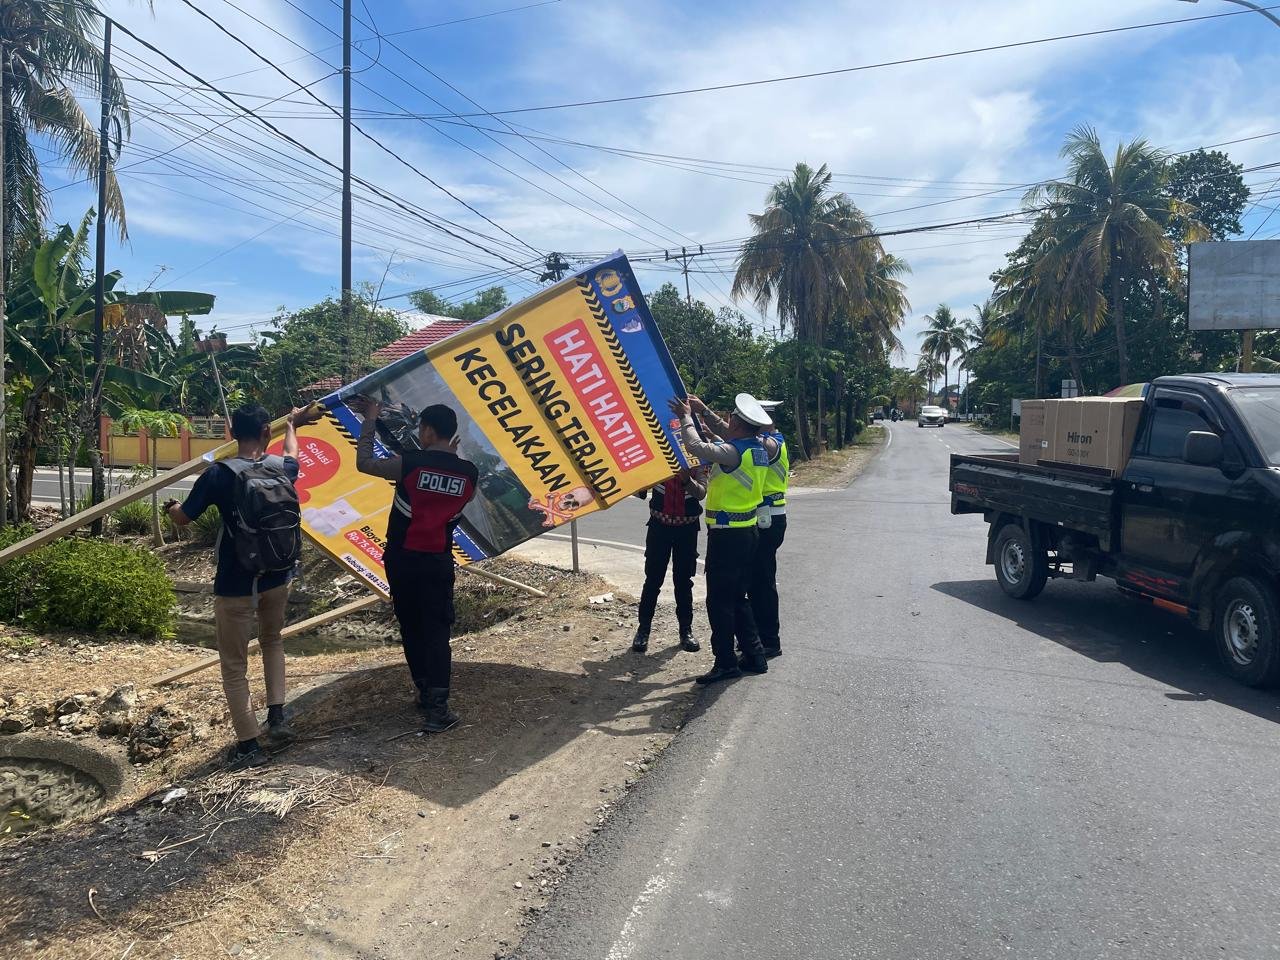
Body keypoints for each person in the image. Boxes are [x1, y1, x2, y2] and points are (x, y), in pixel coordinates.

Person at [167, 403, 318, 770]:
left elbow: (185, 519)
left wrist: (170, 508)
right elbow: (292, 452)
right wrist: (293, 424)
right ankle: (278, 717)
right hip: (278, 577)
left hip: (236, 583)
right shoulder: (281, 468)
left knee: (234, 663)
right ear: (267, 431)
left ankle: (249, 744)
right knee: (273, 641)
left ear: (231, 434)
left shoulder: (219, 473)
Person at [354, 399, 478, 732]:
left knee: (411, 627)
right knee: (437, 632)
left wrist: (370, 420)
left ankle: (425, 692)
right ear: (452, 434)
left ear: (426, 430)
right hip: (437, 561)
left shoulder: (409, 464)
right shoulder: (469, 474)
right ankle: (438, 708)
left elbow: (364, 462)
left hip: (402, 560)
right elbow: (454, 496)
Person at [668, 393, 772, 685]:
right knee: (739, 597)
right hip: (748, 532)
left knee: (719, 602)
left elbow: (694, 445)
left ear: (738, 425)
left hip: (727, 537)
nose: (728, 422)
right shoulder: (758, 448)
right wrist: (704, 410)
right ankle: (754, 655)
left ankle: (725, 661)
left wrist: (687, 415)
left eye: (732, 419)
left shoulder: (732, 452)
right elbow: (727, 433)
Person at [690, 396, 788, 661]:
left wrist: (697, 415)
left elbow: (733, 440)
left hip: (761, 520)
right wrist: (705, 412)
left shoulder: (770, 444)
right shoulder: (759, 442)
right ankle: (753, 644)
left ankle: (767, 641)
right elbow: (733, 436)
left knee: (759, 584)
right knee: (747, 586)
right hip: (756, 520)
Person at [631, 465, 708, 655]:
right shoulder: (659, 458)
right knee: (652, 581)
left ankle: (686, 632)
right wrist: (640, 480)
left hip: (687, 529)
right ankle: (643, 630)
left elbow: (701, 493)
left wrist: (686, 480)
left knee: (683, 582)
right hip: (659, 527)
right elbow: (638, 490)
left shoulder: (696, 460)